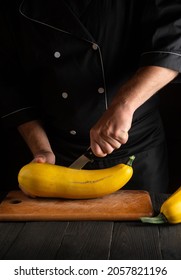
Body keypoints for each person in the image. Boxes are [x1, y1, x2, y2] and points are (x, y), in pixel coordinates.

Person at [0, 0, 181, 193]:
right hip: (55, 153)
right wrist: (41, 149)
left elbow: (174, 41)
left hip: (136, 150)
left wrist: (123, 105)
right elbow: (9, 81)